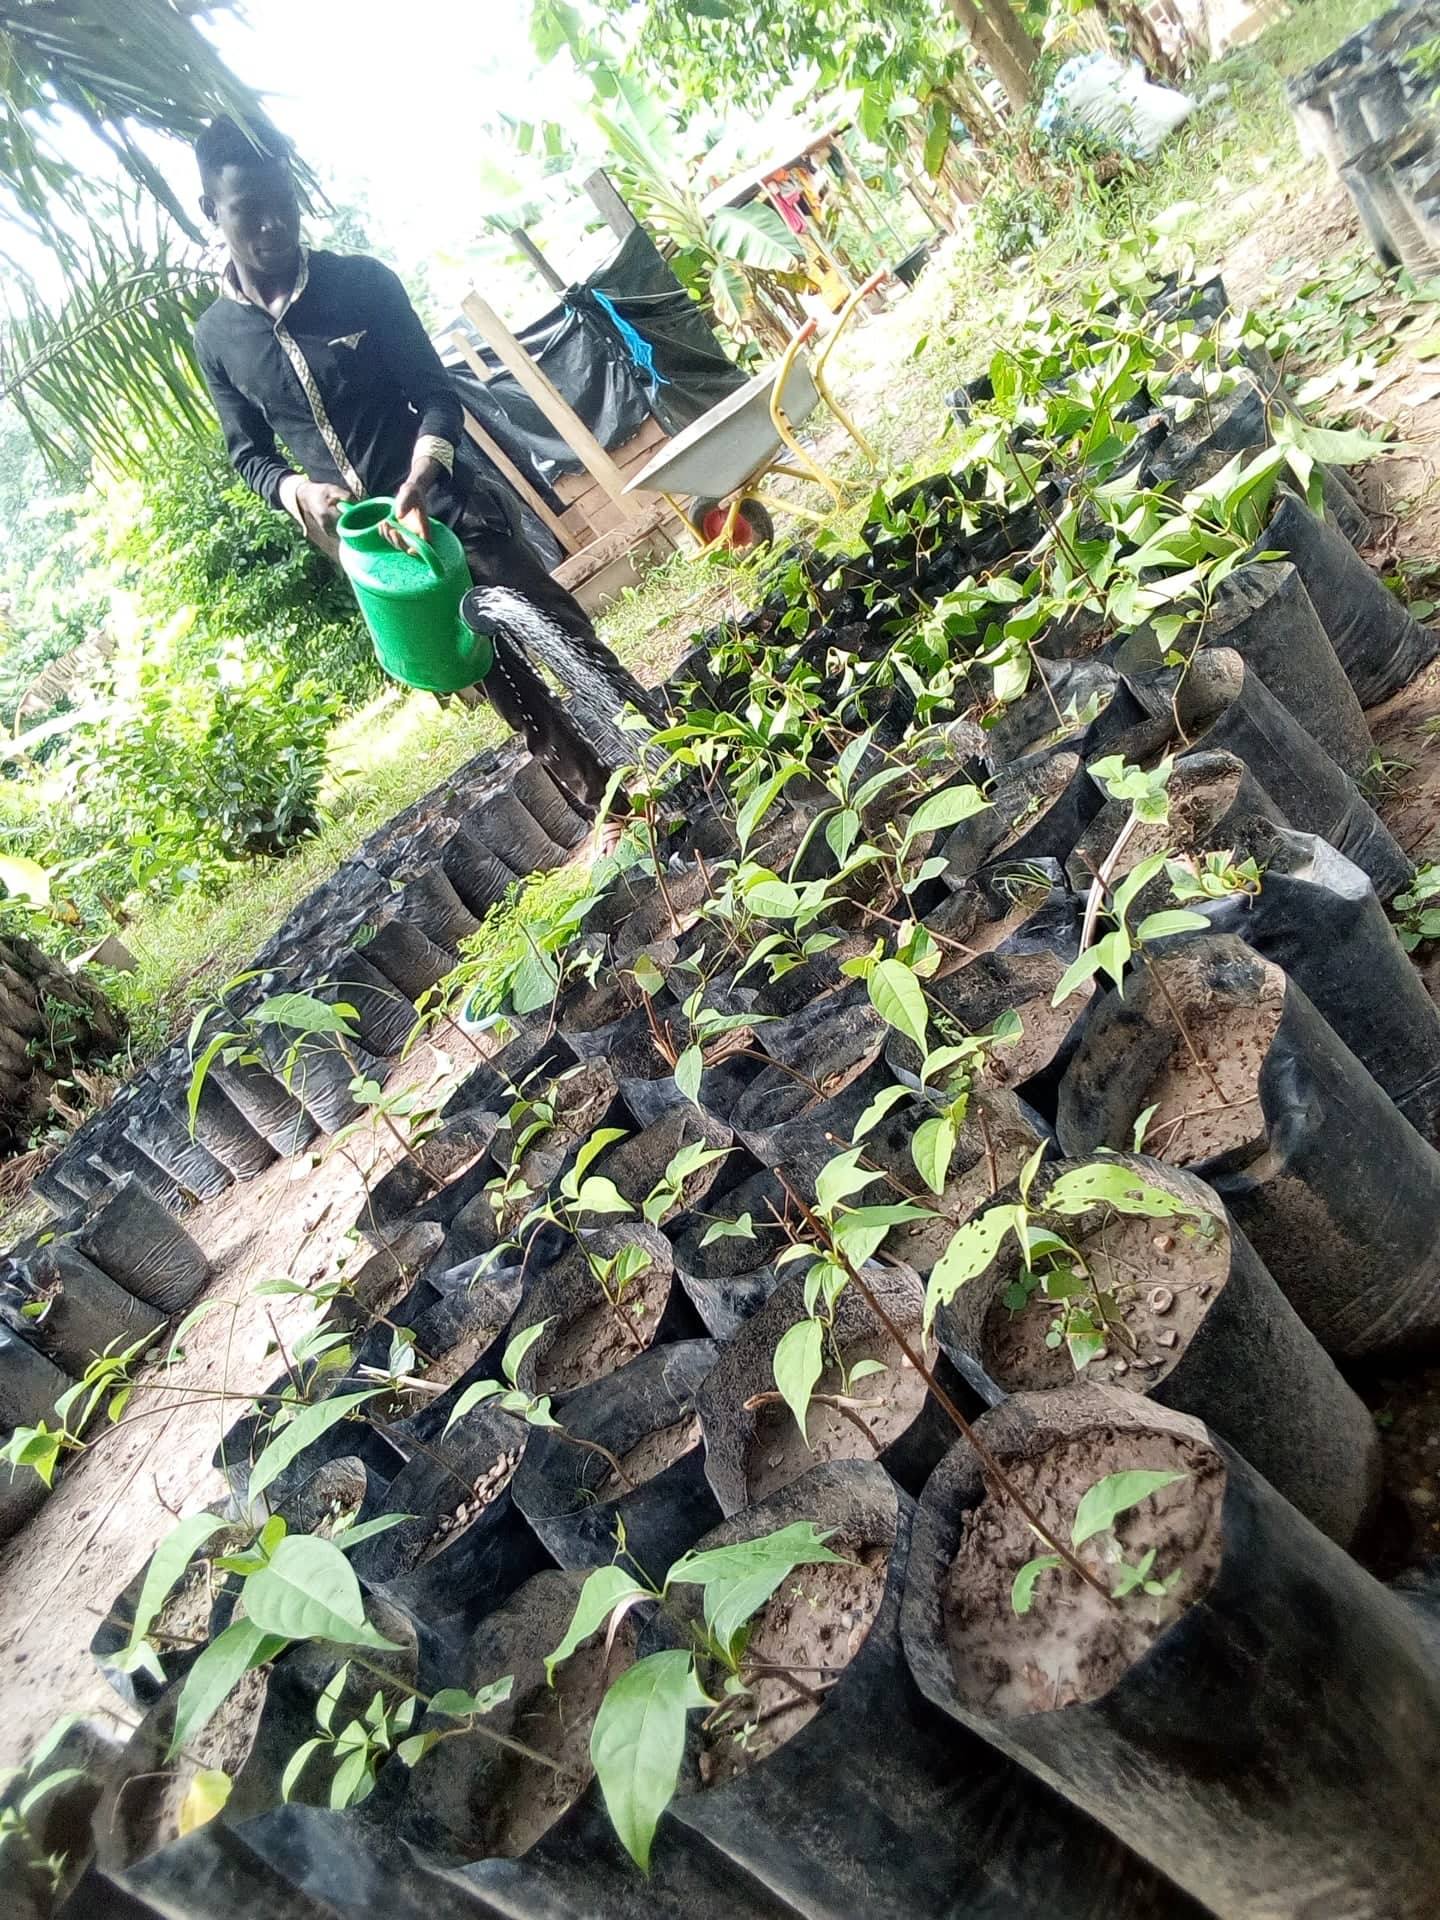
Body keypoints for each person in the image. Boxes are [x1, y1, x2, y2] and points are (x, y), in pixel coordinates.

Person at [191, 115, 655, 813]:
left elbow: (437, 397)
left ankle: (673, 752)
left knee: (564, 635)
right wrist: (296, 491)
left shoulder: (360, 285)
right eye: (248, 213)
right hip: (384, 557)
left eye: (281, 205)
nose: (271, 227)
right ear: (211, 214)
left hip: (446, 510)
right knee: (501, 681)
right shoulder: (218, 338)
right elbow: (248, 454)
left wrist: (417, 481)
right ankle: (613, 810)